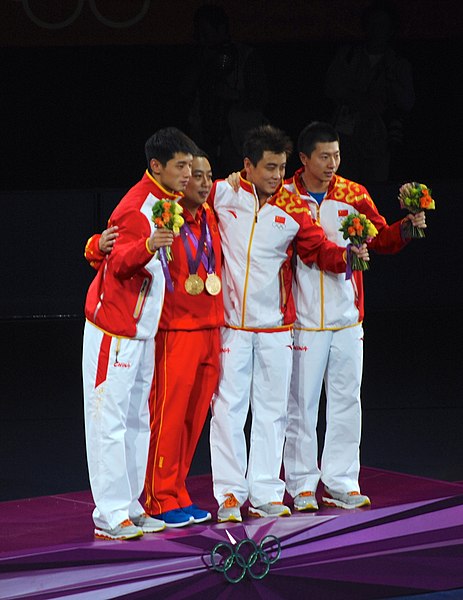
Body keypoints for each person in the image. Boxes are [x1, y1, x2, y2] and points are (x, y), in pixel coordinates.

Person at [208, 124, 369, 523]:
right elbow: (186, 197)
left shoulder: (293, 207)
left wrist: (349, 258)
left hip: (279, 328)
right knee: (228, 411)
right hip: (232, 326)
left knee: (273, 412)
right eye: (269, 168)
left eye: (281, 168)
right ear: (247, 166)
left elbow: (317, 249)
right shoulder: (223, 194)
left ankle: (265, 492)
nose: (278, 176)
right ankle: (229, 494)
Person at [282, 121, 426, 510]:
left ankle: (341, 481)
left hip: (348, 318)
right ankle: (300, 485)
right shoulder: (284, 197)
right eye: (324, 157)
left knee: (347, 400)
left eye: (337, 155)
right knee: (301, 405)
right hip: (302, 321)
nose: (332, 164)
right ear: (304, 158)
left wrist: (406, 229)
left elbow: (380, 238)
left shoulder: (353, 193)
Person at [89, 153, 223, 529]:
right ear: (158, 166)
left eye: (203, 175)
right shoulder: (151, 208)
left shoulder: (202, 212)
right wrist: (99, 245)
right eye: (188, 171)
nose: (197, 180)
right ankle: (129, 505)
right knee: (119, 419)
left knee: (147, 420)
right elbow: (113, 256)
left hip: (170, 327)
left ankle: (154, 497)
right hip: (147, 327)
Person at [324, 0, 415, 182]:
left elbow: (407, 102)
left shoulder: (397, 63)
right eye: (372, 24)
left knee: (375, 192)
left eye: (382, 25)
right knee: (344, 189)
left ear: (390, 30)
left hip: (378, 140)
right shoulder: (348, 56)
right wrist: (359, 100)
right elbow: (331, 89)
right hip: (345, 137)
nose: (376, 30)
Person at [181, 3, 269, 178]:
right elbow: (184, 91)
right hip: (204, 138)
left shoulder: (245, 56)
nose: (203, 39)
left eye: (206, 33)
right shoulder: (199, 57)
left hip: (239, 139)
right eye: (199, 34)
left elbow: (261, 98)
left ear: (221, 29)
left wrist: (233, 96)